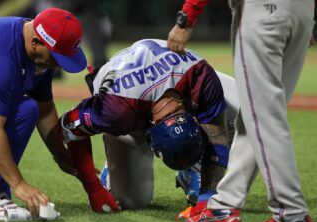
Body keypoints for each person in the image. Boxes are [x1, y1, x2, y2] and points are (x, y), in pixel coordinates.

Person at [168, 0, 316, 222]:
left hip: (262, 10)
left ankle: (292, 216)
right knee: (255, 115)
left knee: (264, 118)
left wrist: (187, 17)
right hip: (302, 12)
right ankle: (224, 206)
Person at [59, 38, 239, 211]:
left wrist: (208, 195)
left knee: (245, 110)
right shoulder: (117, 111)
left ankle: (194, 168)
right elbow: (68, 125)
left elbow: (216, 134)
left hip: (181, 76)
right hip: (129, 103)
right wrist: (93, 188)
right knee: (132, 200)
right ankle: (112, 168)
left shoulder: (201, 78)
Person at [0, 8, 87, 220]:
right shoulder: (0, 56)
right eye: (58, 57)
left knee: (27, 107)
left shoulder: (41, 46)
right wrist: (18, 183)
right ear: (35, 43)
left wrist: (60, 154)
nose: (59, 64)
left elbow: (45, 107)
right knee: (23, 109)